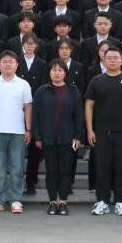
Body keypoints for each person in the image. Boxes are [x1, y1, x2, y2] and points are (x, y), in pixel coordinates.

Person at [84, 46, 122, 217]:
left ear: (121, 61)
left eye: (116, 58)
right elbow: (89, 105)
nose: (112, 60)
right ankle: (102, 201)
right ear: (104, 61)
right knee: (102, 167)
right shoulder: (96, 80)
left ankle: (121, 201)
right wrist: (90, 129)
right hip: (101, 132)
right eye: (109, 58)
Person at [0, 51, 34, 214]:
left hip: (18, 132)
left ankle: (16, 200)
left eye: (11, 61)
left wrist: (28, 129)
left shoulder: (23, 84)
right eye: (4, 61)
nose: (7, 64)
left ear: (17, 65)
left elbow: (28, 108)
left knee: (17, 167)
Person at [33, 60, 85, 215]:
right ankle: (52, 202)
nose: (57, 73)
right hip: (48, 137)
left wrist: (78, 136)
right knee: (51, 171)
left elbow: (79, 115)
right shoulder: (42, 91)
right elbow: (35, 115)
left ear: (65, 73)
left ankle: (63, 201)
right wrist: (37, 136)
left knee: (65, 170)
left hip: (68, 138)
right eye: (54, 70)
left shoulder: (73, 91)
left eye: (60, 70)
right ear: (49, 72)